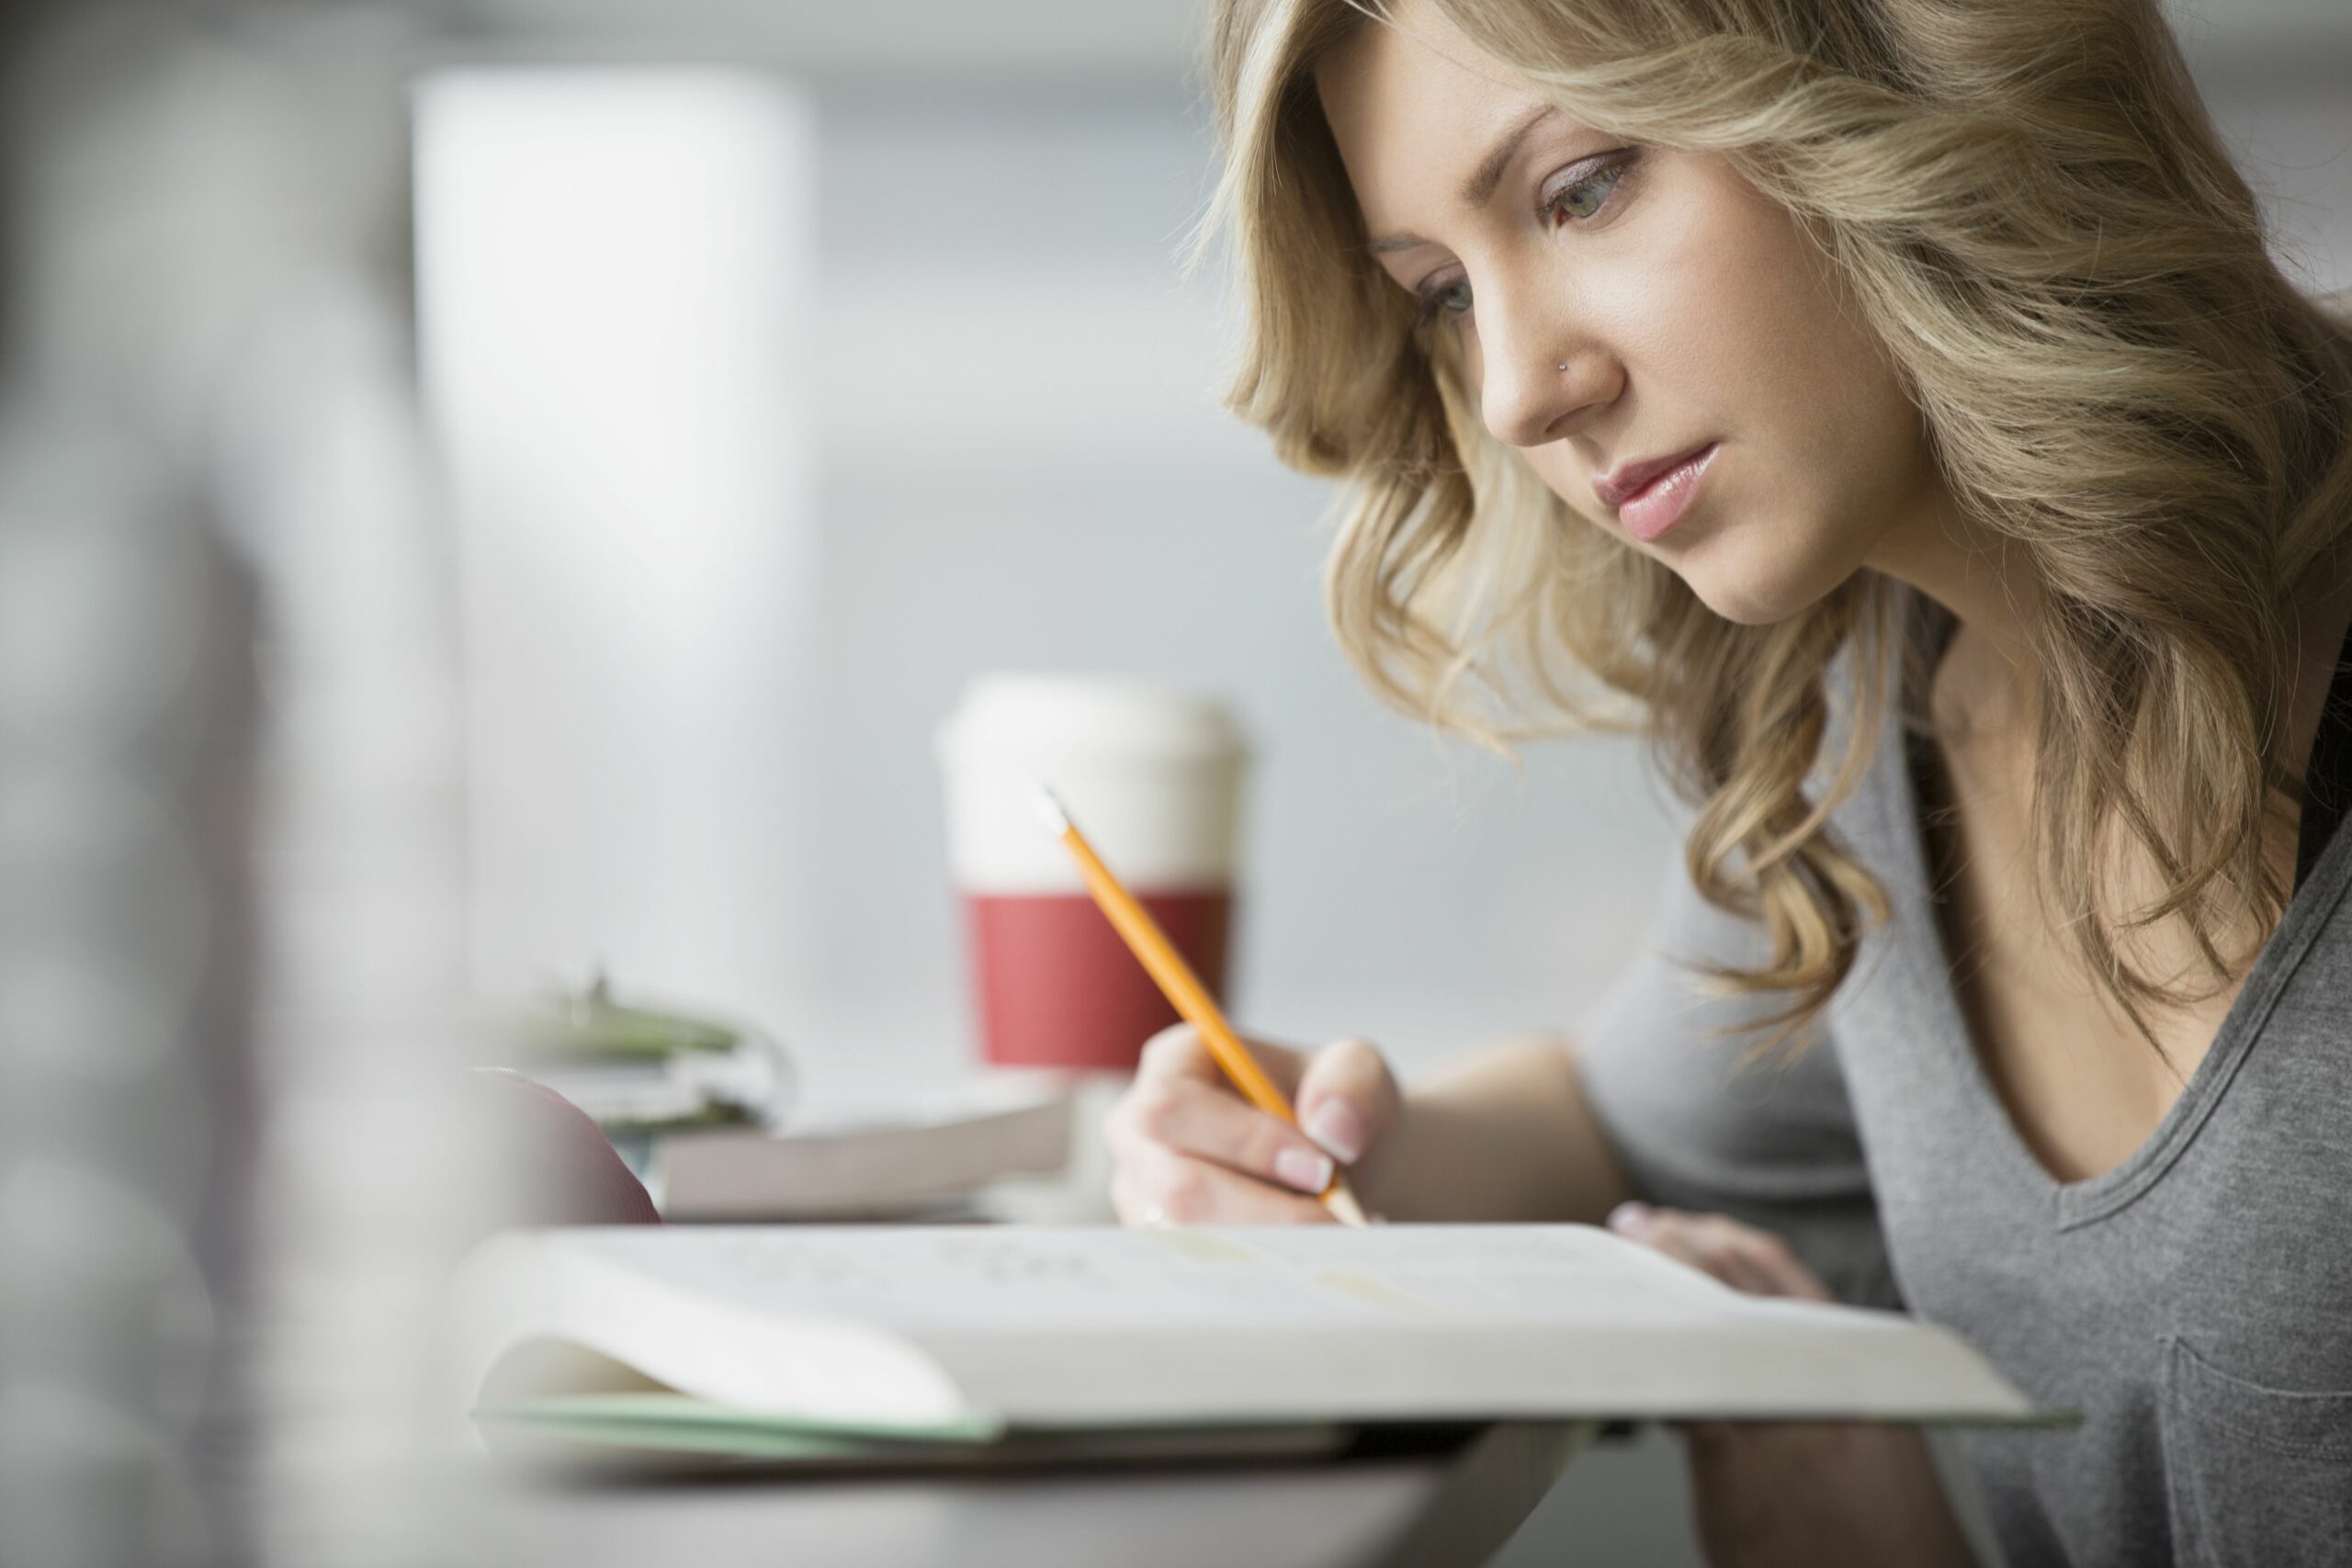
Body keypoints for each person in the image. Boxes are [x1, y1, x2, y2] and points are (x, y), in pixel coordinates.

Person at [1102, 1, 2352, 1563]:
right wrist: (1313, 1140)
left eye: (1581, 190)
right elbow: (1611, 1121)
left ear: (1888, 66)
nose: (1513, 393)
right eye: (1438, 294)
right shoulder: (1872, 732)